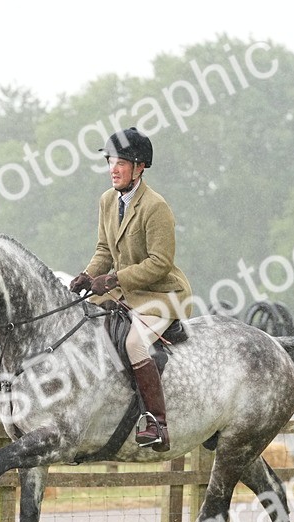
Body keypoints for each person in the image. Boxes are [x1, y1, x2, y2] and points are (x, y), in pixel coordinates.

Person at [68, 127, 192, 452]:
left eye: (121, 162)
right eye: (111, 161)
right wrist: (87, 275)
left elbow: (160, 262)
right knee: (81, 320)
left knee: (136, 343)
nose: (113, 168)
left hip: (161, 295)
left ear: (140, 167)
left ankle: (157, 423)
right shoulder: (107, 201)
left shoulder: (156, 207)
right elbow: (104, 251)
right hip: (123, 293)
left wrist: (114, 280)